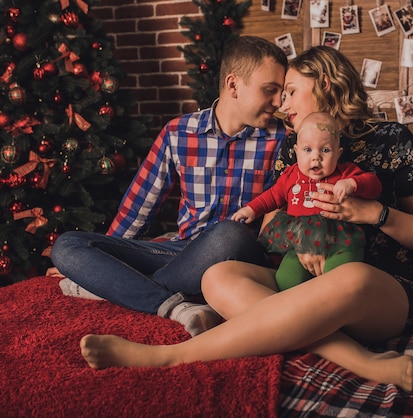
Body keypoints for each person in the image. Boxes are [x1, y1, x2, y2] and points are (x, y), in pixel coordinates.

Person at [78, 45, 413, 394]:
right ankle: (364, 361)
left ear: (325, 85)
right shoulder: (292, 147)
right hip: (302, 278)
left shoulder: (392, 139)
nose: (283, 106)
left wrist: (374, 213)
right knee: (218, 276)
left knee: (351, 277)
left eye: (290, 92)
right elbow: (270, 226)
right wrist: (304, 241)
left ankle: (168, 357)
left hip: (382, 286)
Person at [47, 36, 289, 336]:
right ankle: (174, 304)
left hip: (236, 257)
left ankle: (114, 287)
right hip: (180, 254)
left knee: (230, 232)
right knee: (68, 246)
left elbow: (279, 218)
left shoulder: (284, 141)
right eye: (270, 90)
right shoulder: (178, 132)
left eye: (281, 92)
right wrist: (104, 257)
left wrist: (97, 275)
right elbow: (139, 206)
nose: (279, 102)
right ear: (233, 85)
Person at [231, 111, 382, 290]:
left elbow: (374, 185)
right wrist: (251, 209)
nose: (315, 157)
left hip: (339, 241)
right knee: (286, 279)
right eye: (307, 150)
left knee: (341, 278)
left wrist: (352, 183)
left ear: (338, 153)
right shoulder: (290, 175)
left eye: (325, 150)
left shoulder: (344, 173)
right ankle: (298, 310)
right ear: (296, 151)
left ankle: (334, 308)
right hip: (299, 242)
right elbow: (272, 196)